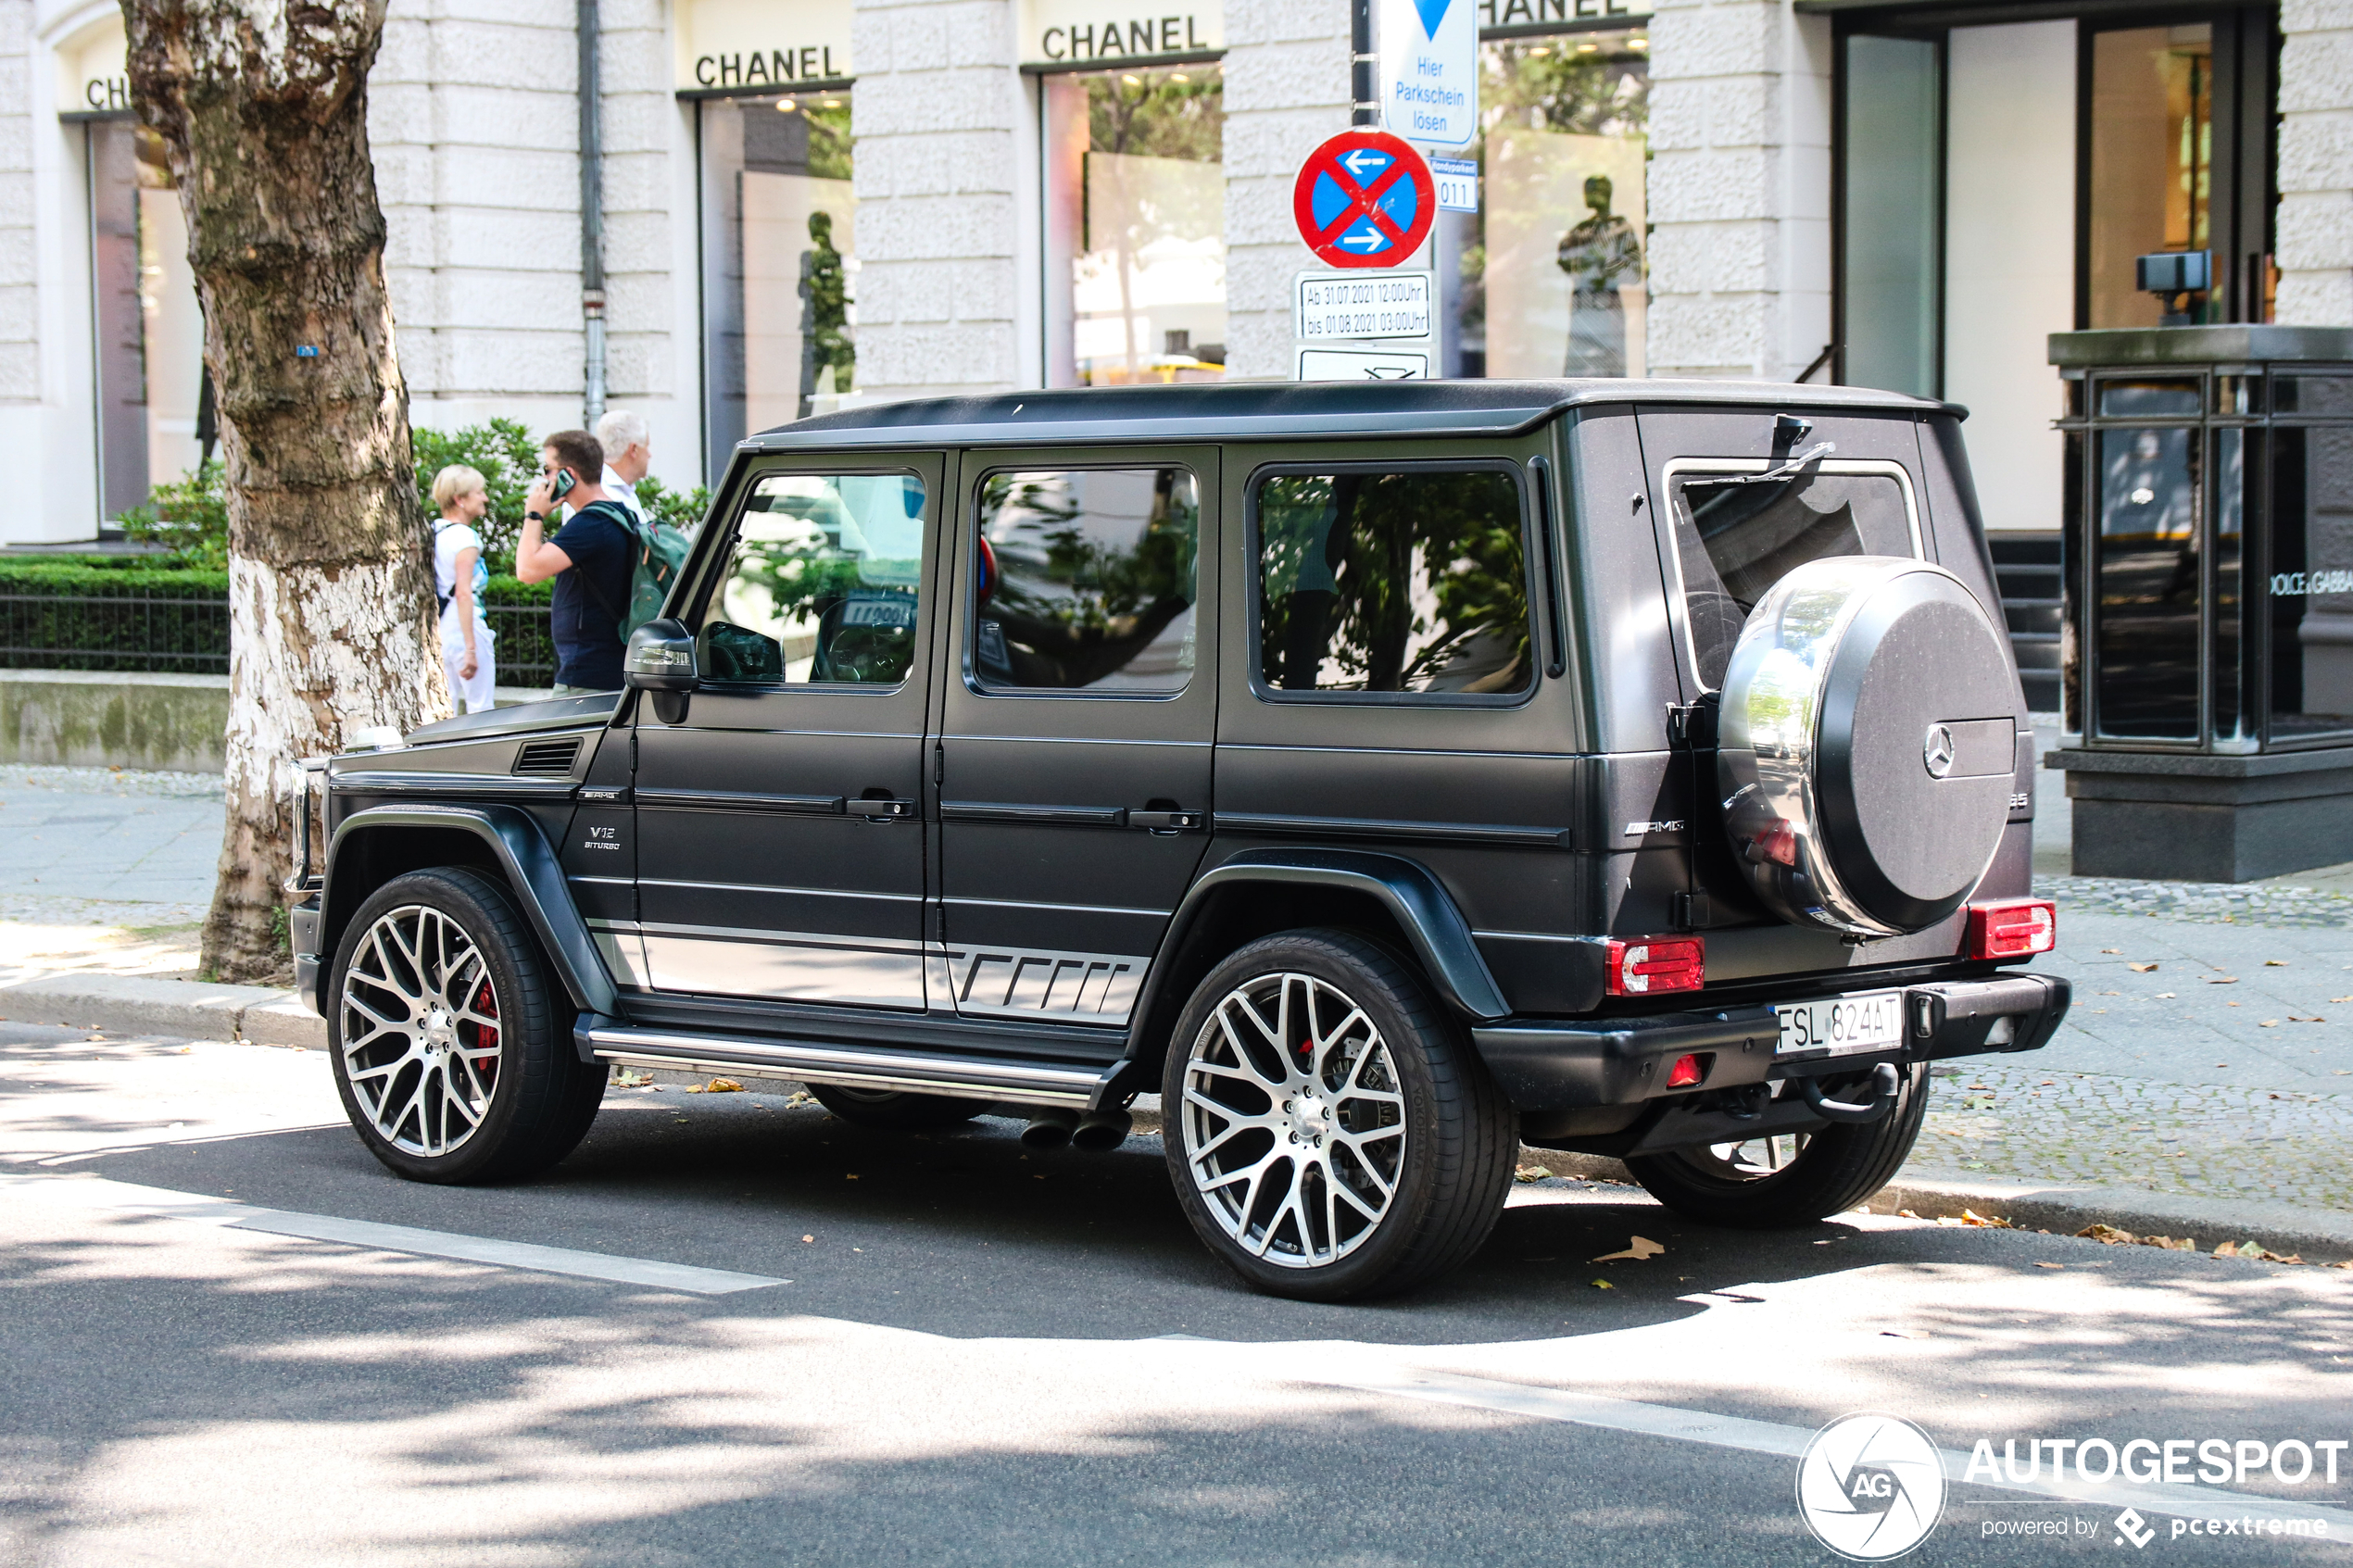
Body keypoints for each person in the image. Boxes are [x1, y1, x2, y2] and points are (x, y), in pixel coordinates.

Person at [516, 430, 635, 696]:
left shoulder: (591, 525)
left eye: (548, 469)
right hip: (605, 670)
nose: (546, 478)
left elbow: (527, 570)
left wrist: (534, 514)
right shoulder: (618, 514)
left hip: (587, 676)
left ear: (568, 474)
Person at [1556, 173, 1642, 377]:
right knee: (1580, 365)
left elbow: (1634, 273)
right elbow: (1565, 260)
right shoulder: (1580, 230)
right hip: (1583, 306)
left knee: (1609, 364)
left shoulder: (1620, 229)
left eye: (1594, 190)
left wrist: (1605, 265)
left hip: (1607, 307)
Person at [429, 464, 497, 713]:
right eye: (479, 492)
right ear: (460, 499)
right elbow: (464, 592)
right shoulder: (465, 538)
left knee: (445, 709)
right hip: (466, 628)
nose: (485, 498)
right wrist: (471, 647)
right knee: (481, 710)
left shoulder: (435, 531)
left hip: (442, 631)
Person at [595, 408, 650, 528]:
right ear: (633, 449)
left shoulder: (625, 488)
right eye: (646, 447)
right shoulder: (598, 492)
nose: (649, 455)